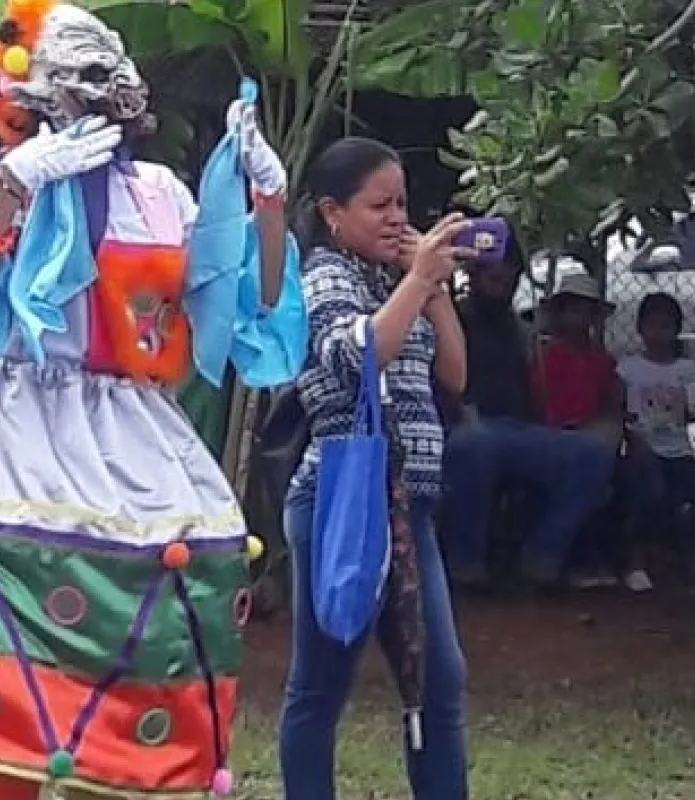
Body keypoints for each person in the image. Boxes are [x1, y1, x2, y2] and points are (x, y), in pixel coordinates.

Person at [0, 1, 305, 797]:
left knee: (130, 667)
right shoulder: (11, 182)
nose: (88, 106)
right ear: (40, 101)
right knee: (15, 689)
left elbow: (248, 305)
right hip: (25, 439)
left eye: (101, 90)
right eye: (71, 92)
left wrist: (268, 203)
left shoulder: (164, 195)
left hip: (140, 438)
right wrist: (13, 182)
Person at [280, 137, 473, 800]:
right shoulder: (323, 276)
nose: (397, 217)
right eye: (379, 205)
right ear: (334, 213)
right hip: (342, 502)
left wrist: (432, 286)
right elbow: (355, 358)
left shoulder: (398, 276)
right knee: (321, 682)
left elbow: (453, 372)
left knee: (440, 681)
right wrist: (417, 280)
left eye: (403, 203)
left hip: (408, 507)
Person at [442, 251, 613, 590]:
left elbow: (536, 394)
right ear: (474, 274)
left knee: (592, 451)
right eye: (493, 271)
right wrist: (463, 411)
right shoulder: (451, 319)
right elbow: (442, 384)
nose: (502, 276)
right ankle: (465, 564)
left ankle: (541, 558)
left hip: (518, 430)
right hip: (464, 426)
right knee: (475, 444)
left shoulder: (522, 331)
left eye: (509, 271)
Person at [531, 273, 640, 588]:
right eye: (572, 309)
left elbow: (611, 403)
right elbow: (538, 403)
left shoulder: (601, 361)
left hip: (594, 438)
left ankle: (620, 558)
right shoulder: (546, 355)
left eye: (586, 311)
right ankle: (575, 561)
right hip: (554, 436)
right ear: (560, 313)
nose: (579, 318)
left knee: (626, 477)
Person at [617, 293, 695, 590]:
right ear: (640, 329)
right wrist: (631, 433)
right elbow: (619, 408)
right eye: (651, 326)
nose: (658, 333)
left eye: (665, 326)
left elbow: (694, 411)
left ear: (676, 330)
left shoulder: (686, 369)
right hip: (643, 449)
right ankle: (635, 561)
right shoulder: (629, 368)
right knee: (648, 495)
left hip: (680, 451)